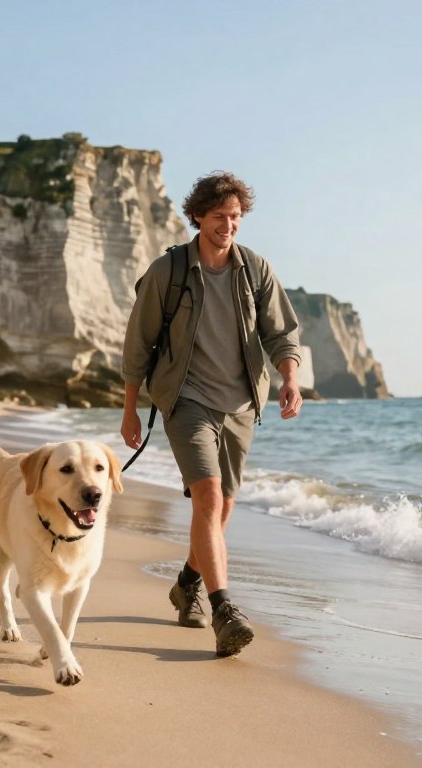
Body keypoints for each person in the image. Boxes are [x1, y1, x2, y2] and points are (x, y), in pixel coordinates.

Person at [120, 172, 302, 657]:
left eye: (236, 217)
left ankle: (186, 583)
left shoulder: (255, 270)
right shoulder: (170, 271)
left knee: (221, 508)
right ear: (198, 215)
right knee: (207, 493)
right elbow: (138, 342)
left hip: (242, 403)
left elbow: (281, 332)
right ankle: (224, 607)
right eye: (219, 216)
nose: (228, 225)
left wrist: (288, 378)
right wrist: (130, 407)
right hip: (186, 398)